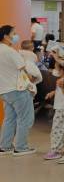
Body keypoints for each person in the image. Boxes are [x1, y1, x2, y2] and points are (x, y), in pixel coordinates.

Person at [0, 25, 37, 156]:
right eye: (13, 33)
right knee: (25, 118)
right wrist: (32, 81)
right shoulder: (10, 51)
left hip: (4, 91)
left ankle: (4, 146)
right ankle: (21, 147)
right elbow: (24, 68)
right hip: (18, 89)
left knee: (9, 119)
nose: (16, 36)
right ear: (5, 36)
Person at [43, 63, 64, 160]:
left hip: (63, 109)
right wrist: (53, 92)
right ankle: (58, 149)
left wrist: (61, 86)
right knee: (58, 129)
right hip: (59, 108)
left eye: (58, 69)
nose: (56, 71)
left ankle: (56, 150)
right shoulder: (62, 79)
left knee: (59, 130)